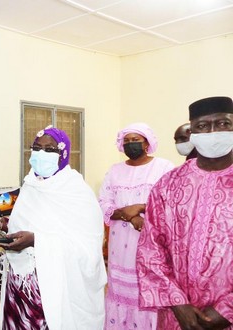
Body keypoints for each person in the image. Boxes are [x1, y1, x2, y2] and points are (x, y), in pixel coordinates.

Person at [0, 126, 107, 329]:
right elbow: (24, 223)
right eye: (37, 148)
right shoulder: (30, 184)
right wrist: (0, 223)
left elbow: (88, 251)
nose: (41, 154)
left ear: (63, 154)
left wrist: (37, 241)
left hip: (55, 290)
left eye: (50, 149)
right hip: (20, 284)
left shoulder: (77, 193)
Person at [137, 96, 233, 330]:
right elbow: (151, 248)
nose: (212, 132)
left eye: (222, 124)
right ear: (192, 133)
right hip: (178, 317)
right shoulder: (169, 184)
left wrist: (227, 310)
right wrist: (177, 304)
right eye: (202, 126)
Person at [99, 122, 174, 329]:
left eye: (136, 140)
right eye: (127, 141)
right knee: (121, 298)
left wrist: (141, 207)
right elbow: (104, 203)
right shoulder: (114, 171)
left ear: (147, 143)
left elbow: (172, 202)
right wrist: (130, 216)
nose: (131, 144)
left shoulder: (163, 167)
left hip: (152, 246)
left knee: (147, 295)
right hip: (119, 248)